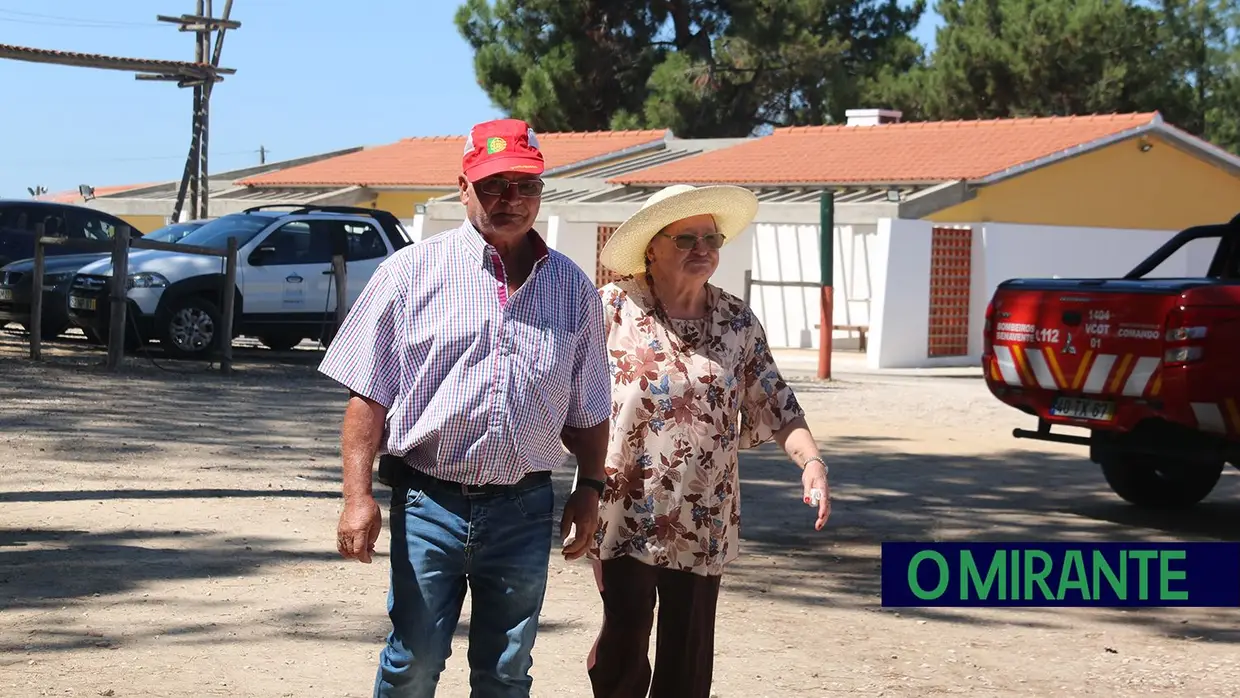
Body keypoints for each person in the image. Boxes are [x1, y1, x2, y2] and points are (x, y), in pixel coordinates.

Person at [318, 117, 612, 698]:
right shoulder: (408, 274)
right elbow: (367, 396)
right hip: (430, 503)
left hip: (523, 508)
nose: (510, 200)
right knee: (415, 662)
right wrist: (357, 499)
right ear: (463, 187)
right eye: (494, 185)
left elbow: (589, 407)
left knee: (506, 670)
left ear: (540, 192)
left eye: (524, 186)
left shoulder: (574, 288)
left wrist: (590, 488)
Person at [585, 184, 832, 698]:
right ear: (652, 246)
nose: (703, 248)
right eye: (687, 238)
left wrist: (811, 463)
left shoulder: (737, 321)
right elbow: (562, 393)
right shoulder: (609, 309)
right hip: (622, 510)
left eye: (711, 238)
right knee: (621, 648)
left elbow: (776, 402)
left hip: (705, 517)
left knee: (689, 657)